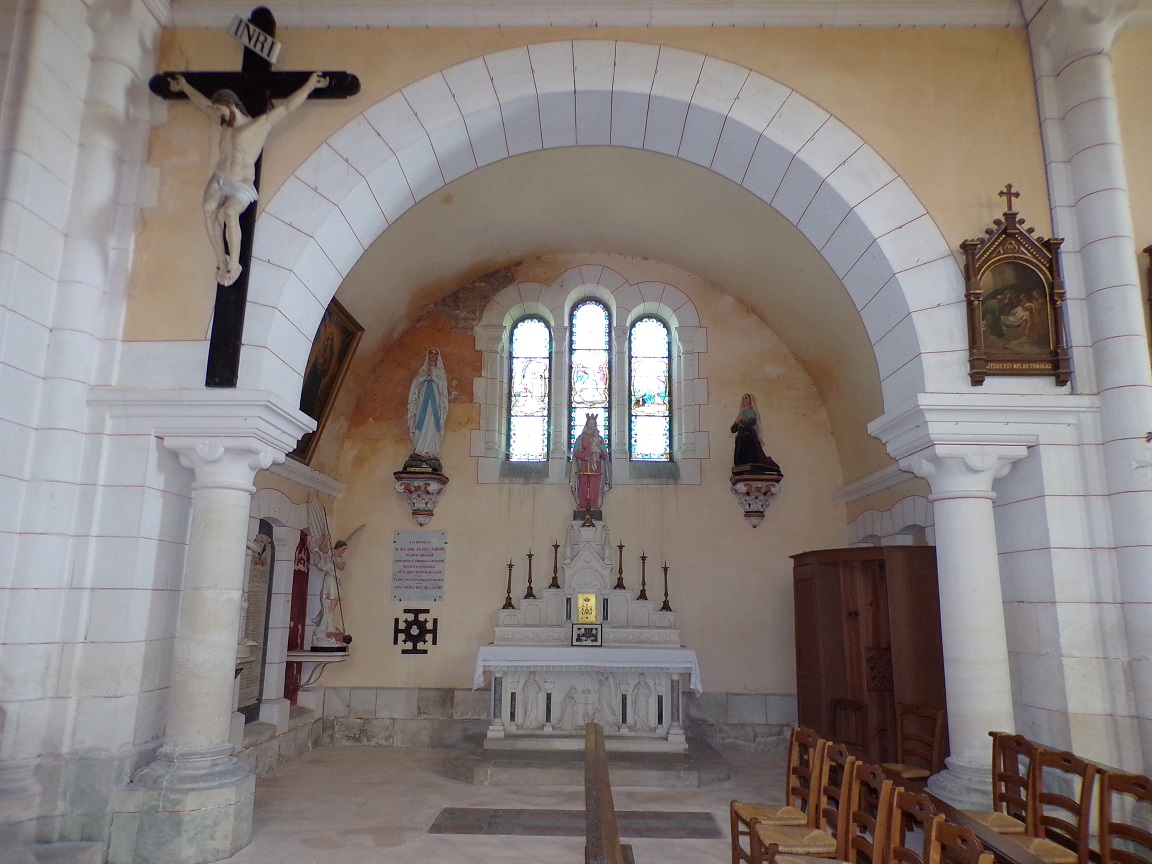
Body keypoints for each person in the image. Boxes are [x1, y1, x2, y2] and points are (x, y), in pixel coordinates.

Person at [168, 71, 329, 287]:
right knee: (208, 209)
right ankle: (220, 259)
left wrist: (309, 86)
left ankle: (234, 264)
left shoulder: (258, 126)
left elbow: (288, 107)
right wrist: (185, 87)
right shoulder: (224, 124)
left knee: (229, 212)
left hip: (241, 184)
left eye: (221, 109)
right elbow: (204, 105)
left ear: (231, 105)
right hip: (220, 177)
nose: (219, 114)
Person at [406, 348, 450, 472]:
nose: (433, 356)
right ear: (428, 355)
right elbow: (416, 383)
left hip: (434, 399)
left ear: (438, 356)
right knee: (421, 419)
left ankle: (429, 450)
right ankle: (419, 448)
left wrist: (433, 378)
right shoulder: (423, 370)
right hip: (423, 398)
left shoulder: (440, 371)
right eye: (431, 353)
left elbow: (442, 385)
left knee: (431, 422)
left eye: (435, 354)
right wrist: (425, 377)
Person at [311, 535, 349, 650]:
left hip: (337, 581)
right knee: (327, 604)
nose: (344, 551)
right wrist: (326, 539)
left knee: (333, 606)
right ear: (339, 547)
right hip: (330, 580)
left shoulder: (340, 558)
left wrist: (335, 560)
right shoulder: (329, 553)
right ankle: (324, 625)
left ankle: (330, 625)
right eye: (343, 549)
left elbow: (341, 567)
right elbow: (322, 548)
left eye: (345, 550)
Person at [731, 393, 782, 475]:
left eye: (746, 398)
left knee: (751, 455)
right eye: (743, 398)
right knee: (740, 457)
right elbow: (733, 430)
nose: (743, 400)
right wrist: (736, 422)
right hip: (741, 437)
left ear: (751, 402)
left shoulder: (752, 412)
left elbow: (750, 423)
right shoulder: (741, 414)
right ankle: (741, 467)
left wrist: (741, 420)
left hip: (749, 436)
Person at [571, 414, 610, 511]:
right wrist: (585, 457)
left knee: (595, 486)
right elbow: (576, 452)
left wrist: (599, 449)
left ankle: (594, 506)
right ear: (587, 424)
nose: (592, 426)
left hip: (596, 466)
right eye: (590, 424)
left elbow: (605, 456)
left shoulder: (600, 439)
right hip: (584, 465)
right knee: (584, 485)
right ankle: (583, 505)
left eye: (594, 424)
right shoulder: (581, 437)